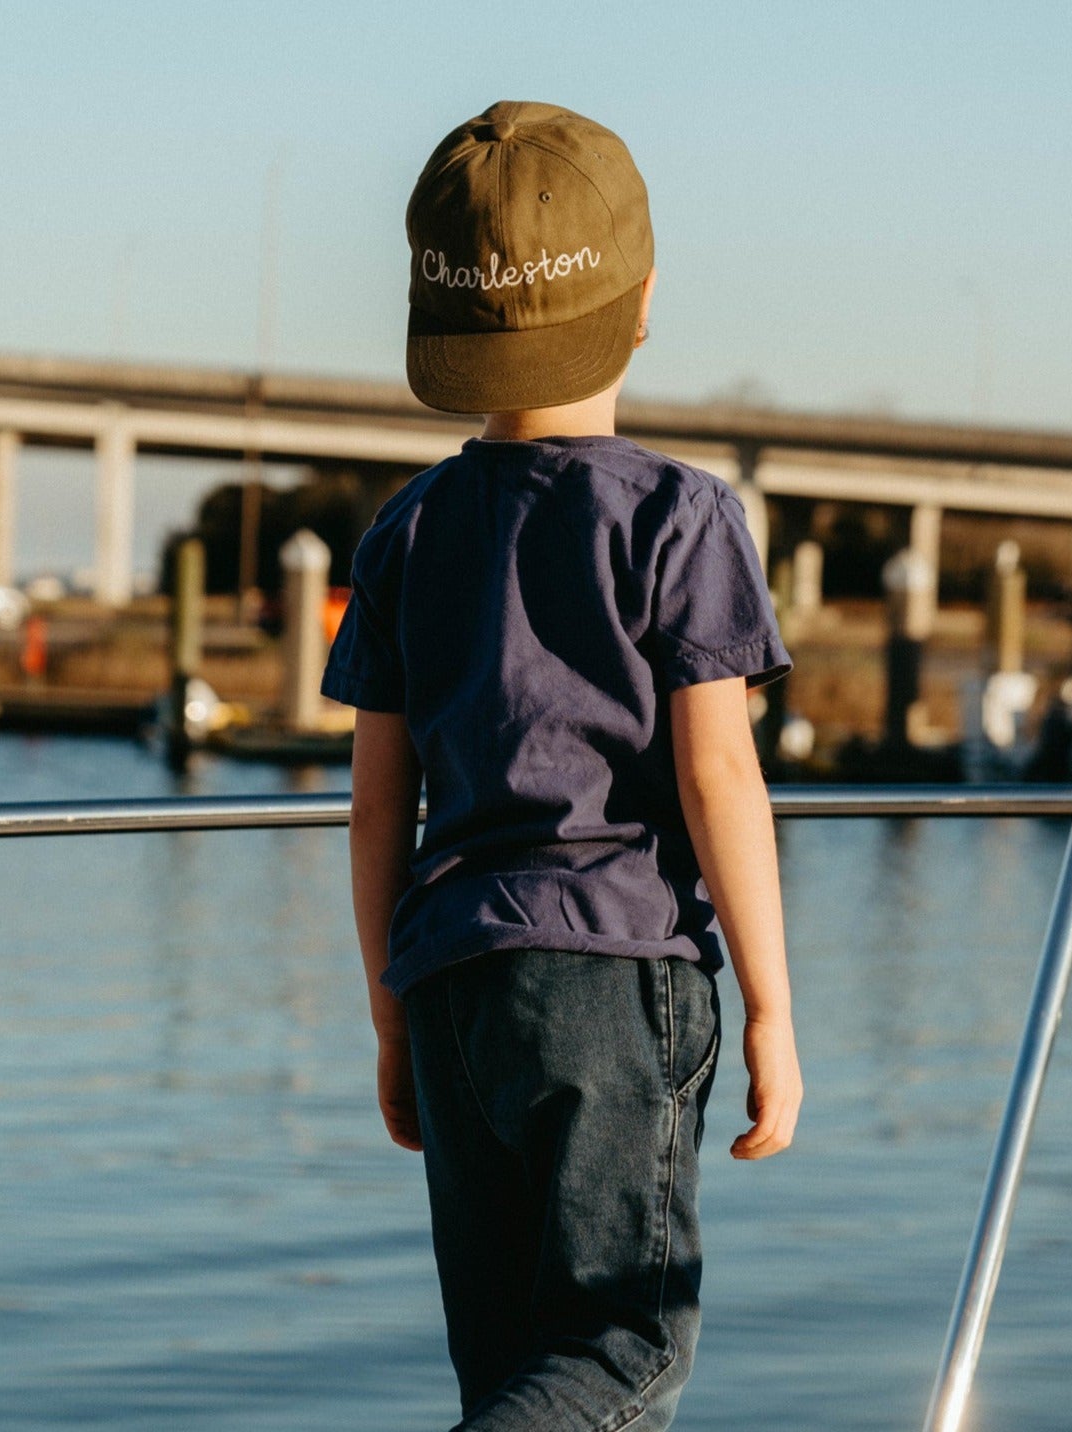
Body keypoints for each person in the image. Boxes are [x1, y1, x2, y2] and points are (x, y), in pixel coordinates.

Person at [321, 100, 802, 1432]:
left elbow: (377, 804)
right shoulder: (679, 514)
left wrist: (389, 1013)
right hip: (617, 974)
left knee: (509, 1357)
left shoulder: (408, 530)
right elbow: (718, 780)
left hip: (454, 973)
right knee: (619, 1351)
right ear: (641, 305)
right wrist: (772, 1006)